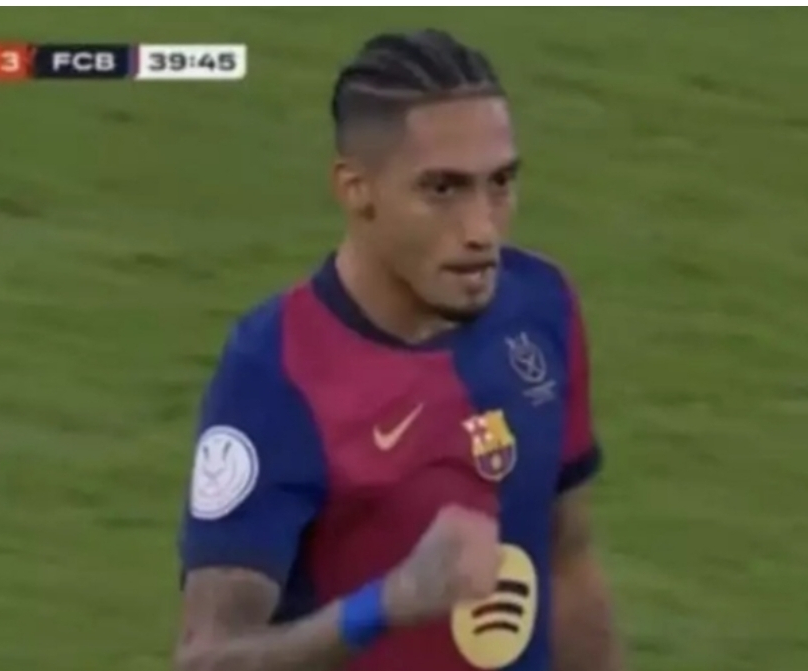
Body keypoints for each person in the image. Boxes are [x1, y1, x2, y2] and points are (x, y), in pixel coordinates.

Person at [175, 28, 626, 671]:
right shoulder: (276, 370)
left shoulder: (541, 306)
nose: (481, 229)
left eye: (500, 183)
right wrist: (385, 604)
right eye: (442, 189)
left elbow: (567, 557)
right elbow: (206, 659)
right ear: (356, 188)